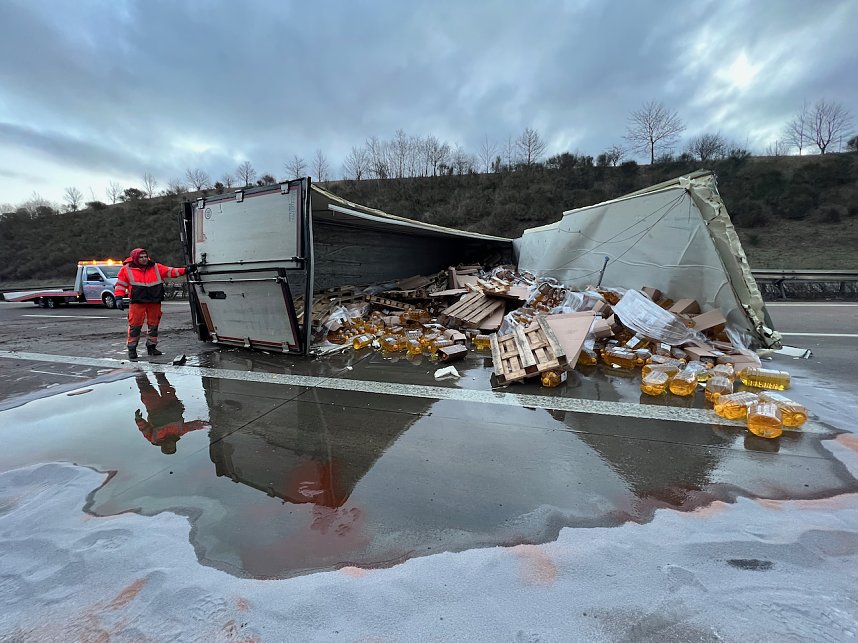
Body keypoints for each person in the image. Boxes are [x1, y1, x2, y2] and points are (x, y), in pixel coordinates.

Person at [114, 248, 195, 359]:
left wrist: (186, 270)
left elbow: (171, 271)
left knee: (153, 326)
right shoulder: (126, 269)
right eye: (141, 257)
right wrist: (118, 297)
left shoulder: (156, 267)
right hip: (138, 302)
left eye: (145, 257)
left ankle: (151, 347)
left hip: (154, 300)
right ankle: (132, 349)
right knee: (135, 327)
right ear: (135, 258)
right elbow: (120, 285)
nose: (144, 259)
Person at [134, 372, 209, 455]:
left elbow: (145, 429)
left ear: (163, 447)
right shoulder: (178, 433)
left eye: (169, 447)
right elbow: (191, 426)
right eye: (173, 446)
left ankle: (139, 373)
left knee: (147, 392)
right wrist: (205, 424)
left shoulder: (154, 438)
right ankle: (159, 373)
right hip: (172, 406)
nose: (171, 445)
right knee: (166, 387)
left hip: (156, 410)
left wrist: (139, 420)